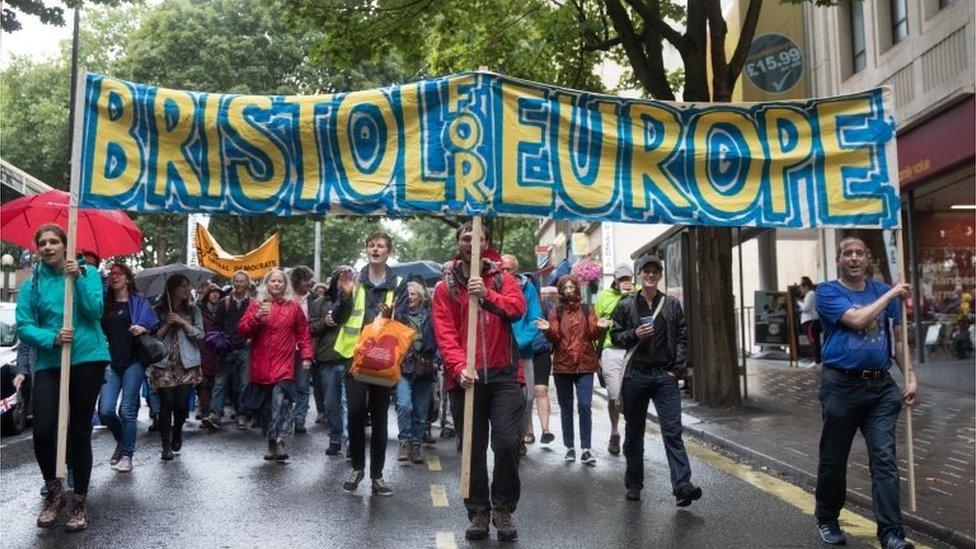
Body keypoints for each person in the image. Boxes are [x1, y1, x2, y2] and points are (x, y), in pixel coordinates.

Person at [813, 237, 917, 549]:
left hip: (880, 388)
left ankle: (891, 533)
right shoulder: (827, 292)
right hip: (840, 386)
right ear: (839, 260)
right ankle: (828, 517)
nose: (855, 258)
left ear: (867, 259)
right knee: (834, 458)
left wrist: (910, 376)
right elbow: (857, 319)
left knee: (884, 459)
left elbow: (897, 341)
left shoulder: (882, 291)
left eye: (860, 253)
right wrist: (891, 295)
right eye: (848, 253)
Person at [432, 222, 527, 541]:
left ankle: (503, 508)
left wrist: (487, 295)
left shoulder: (503, 278)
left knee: (506, 442)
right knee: (471, 448)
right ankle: (478, 511)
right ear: (458, 242)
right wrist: (459, 366)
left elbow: (517, 310)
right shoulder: (445, 286)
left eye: (478, 238)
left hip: (503, 375)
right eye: (466, 237)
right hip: (466, 378)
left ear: (486, 243)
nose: (471, 241)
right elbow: (444, 333)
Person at [14, 224, 110, 532]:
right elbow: (24, 326)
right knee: (42, 431)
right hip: (51, 361)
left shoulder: (88, 273)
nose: (48, 246)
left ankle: (79, 501)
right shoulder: (34, 284)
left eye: (54, 241)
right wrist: (51, 337)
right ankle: (55, 493)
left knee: (79, 431)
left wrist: (79, 278)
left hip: (87, 357)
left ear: (65, 245)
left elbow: (94, 311)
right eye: (42, 242)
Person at [610, 255, 701, 506]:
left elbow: (682, 336)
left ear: (660, 276)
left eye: (654, 272)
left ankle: (682, 487)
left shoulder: (671, 304)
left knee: (673, 432)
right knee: (634, 433)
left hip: (664, 376)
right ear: (639, 275)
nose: (650, 275)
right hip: (636, 375)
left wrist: (677, 369)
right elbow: (615, 336)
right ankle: (634, 483)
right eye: (645, 272)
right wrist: (633, 334)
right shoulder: (626, 305)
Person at [333, 231, 406, 496]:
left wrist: (392, 317)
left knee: (379, 418)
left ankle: (377, 476)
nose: (376, 249)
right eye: (372, 245)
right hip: (355, 357)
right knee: (353, 414)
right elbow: (339, 318)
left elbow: (406, 322)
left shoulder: (399, 282)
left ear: (388, 252)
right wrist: (344, 295)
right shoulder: (352, 279)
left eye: (381, 246)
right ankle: (357, 467)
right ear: (367, 250)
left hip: (383, 360)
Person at [238, 269, 313, 462]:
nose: (277, 284)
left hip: (284, 366)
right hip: (261, 365)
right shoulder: (256, 305)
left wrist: (306, 357)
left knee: (283, 403)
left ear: (285, 284)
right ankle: (271, 440)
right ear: (267, 284)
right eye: (273, 281)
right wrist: (256, 318)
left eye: (280, 281)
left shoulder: (294, 307)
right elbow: (242, 330)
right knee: (267, 407)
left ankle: (280, 441)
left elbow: (303, 334)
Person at [537, 275, 609, 466]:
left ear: (577, 288)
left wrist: (600, 328)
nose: (569, 290)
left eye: (571, 286)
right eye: (565, 287)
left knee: (585, 406)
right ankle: (570, 447)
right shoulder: (556, 312)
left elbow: (592, 332)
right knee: (566, 408)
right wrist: (547, 330)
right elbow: (556, 337)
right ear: (561, 291)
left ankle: (586, 449)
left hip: (585, 364)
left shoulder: (587, 309)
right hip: (563, 366)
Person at [98, 262, 159, 474]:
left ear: (127, 278)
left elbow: (154, 324)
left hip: (134, 361)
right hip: (110, 362)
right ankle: (121, 439)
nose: (113, 277)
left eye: (118, 274)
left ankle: (127, 456)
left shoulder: (139, 302)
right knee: (105, 411)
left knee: (127, 410)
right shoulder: (104, 303)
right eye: (111, 274)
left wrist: (142, 327)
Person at [151, 274, 204, 461]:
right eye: (182, 286)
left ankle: (177, 430)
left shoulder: (193, 310)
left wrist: (182, 322)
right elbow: (153, 337)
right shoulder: (157, 310)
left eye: (187, 286)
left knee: (182, 405)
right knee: (167, 404)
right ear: (173, 288)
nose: (186, 290)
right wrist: (167, 324)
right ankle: (165, 445)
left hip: (186, 363)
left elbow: (200, 335)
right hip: (164, 363)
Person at [500, 255, 543, 456]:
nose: (504, 272)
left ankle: (520, 436)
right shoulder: (494, 287)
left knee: (527, 396)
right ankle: (508, 438)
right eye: (502, 268)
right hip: (499, 352)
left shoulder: (528, 289)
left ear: (515, 270)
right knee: (504, 397)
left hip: (523, 351)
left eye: (508, 268)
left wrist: (519, 341)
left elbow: (535, 319)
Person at [308, 266, 353, 456]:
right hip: (328, 358)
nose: (343, 281)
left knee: (349, 403)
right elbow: (310, 328)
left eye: (348, 278)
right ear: (334, 281)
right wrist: (323, 324)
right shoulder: (319, 302)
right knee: (331, 403)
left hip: (350, 357)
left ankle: (351, 441)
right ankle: (335, 438)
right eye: (340, 278)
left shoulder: (356, 300)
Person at [595, 263, 637, 456]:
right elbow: (596, 325)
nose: (624, 282)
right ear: (615, 279)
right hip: (611, 349)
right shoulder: (605, 296)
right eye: (621, 279)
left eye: (627, 279)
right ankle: (614, 431)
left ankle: (631, 435)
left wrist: (634, 297)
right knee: (614, 394)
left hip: (632, 350)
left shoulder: (638, 295)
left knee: (630, 394)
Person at [203, 270, 252, 430]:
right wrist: (220, 341)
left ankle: (242, 414)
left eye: (242, 281)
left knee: (243, 384)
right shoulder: (224, 303)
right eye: (236, 281)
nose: (239, 284)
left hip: (245, 348)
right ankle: (214, 414)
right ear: (232, 282)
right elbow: (216, 326)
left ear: (247, 283)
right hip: (227, 349)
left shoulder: (253, 303)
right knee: (220, 382)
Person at [396, 281, 438, 465]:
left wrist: (438, 360)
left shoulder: (431, 316)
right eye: (408, 294)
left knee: (421, 411)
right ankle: (404, 441)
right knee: (404, 405)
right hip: (402, 367)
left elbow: (440, 338)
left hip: (425, 367)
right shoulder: (398, 316)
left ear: (421, 296)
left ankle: (416, 443)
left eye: (414, 294)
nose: (410, 297)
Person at [289, 266, 315, 434]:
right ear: (297, 280)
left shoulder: (314, 300)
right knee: (283, 385)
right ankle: (284, 417)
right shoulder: (286, 299)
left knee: (303, 386)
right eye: (305, 279)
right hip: (285, 349)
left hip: (305, 349)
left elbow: (318, 322)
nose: (309, 283)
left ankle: (299, 420)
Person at [196, 283, 223, 419]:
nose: (215, 294)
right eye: (212, 292)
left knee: (218, 382)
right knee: (203, 382)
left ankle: (215, 409)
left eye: (217, 292)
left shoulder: (224, 308)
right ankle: (204, 408)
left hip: (219, 350)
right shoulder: (199, 311)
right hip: (203, 349)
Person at [798, 276, 822, 366]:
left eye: (801, 286)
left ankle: (817, 361)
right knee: (815, 341)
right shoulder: (811, 294)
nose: (800, 288)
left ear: (806, 286)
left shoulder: (810, 294)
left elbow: (806, 308)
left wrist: (799, 304)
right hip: (812, 320)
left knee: (814, 341)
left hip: (810, 321)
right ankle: (817, 361)